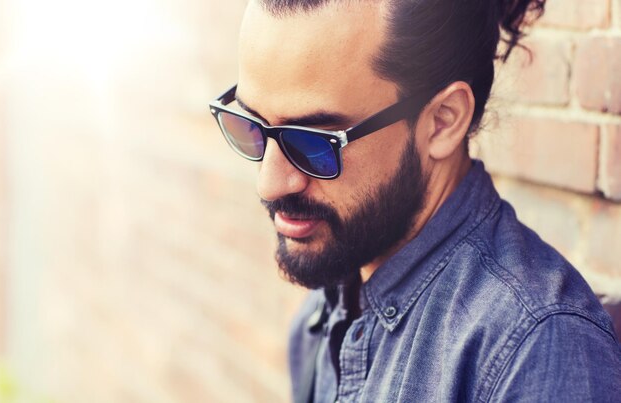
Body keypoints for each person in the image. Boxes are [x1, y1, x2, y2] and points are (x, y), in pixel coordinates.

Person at [209, 0, 621, 401]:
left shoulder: (534, 347)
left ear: (443, 121)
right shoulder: (322, 312)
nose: (269, 183)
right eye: (252, 126)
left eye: (314, 143)